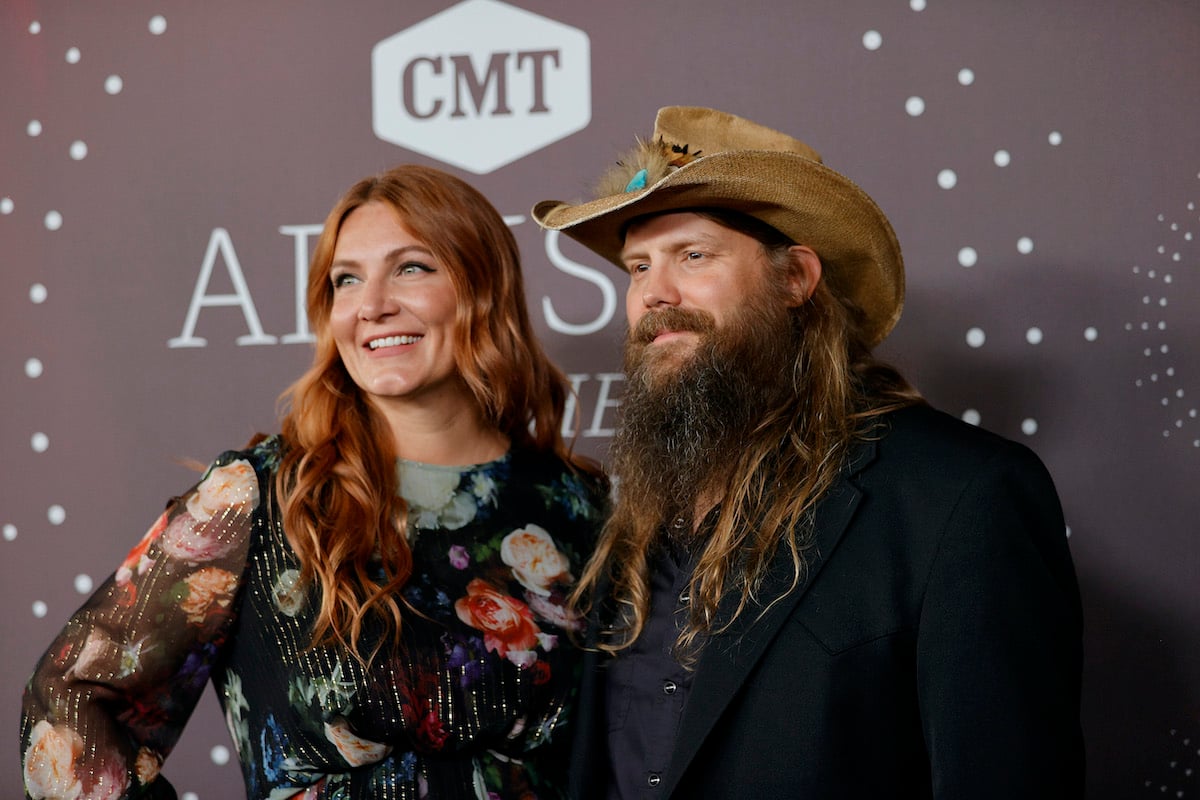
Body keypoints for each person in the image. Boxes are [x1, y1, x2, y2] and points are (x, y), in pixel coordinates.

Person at [532, 106, 1084, 798]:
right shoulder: (630, 525)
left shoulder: (960, 496)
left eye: (693, 255)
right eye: (638, 266)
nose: (654, 294)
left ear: (795, 278)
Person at [21, 164, 608, 799]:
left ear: (483, 286)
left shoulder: (577, 507)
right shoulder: (262, 495)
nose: (373, 305)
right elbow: (68, 704)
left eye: (411, 267)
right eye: (346, 280)